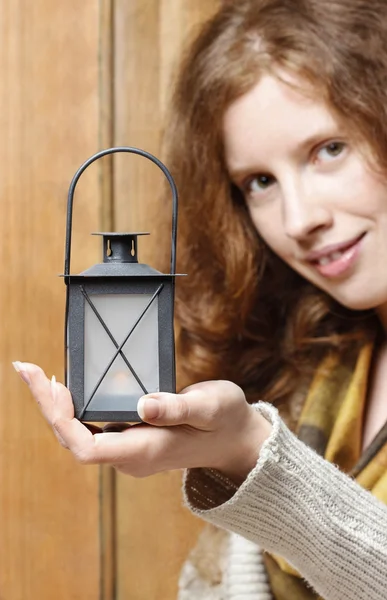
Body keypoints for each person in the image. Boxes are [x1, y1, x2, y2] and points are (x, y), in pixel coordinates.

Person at [12, 0, 387, 598]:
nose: (299, 219)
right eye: (259, 183)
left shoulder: (269, 417)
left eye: (328, 149)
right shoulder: (309, 362)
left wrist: (255, 459)